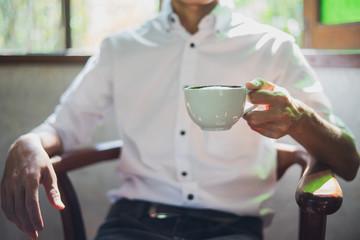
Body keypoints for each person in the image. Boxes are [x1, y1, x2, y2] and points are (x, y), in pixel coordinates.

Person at [1, 0, 359, 239]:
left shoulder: (273, 46)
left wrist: (300, 119)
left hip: (231, 227)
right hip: (131, 222)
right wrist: (29, 141)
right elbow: (63, 125)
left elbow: (349, 159)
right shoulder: (120, 48)